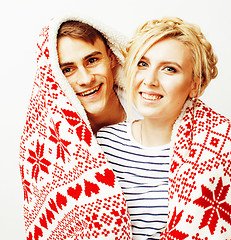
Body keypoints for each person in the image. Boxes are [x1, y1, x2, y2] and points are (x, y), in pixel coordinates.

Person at [96, 17, 231, 239]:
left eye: (169, 69)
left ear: (194, 85)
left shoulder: (219, 153)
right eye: (143, 64)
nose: (150, 80)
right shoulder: (102, 144)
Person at [19, 14, 135, 239]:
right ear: (54, 78)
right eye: (67, 70)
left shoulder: (155, 111)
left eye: (92, 60)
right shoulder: (45, 150)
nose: (85, 79)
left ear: (111, 59)